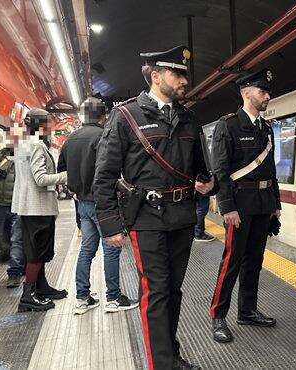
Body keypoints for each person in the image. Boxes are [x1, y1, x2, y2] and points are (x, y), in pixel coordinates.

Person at [93, 45, 216, 370]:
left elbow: (201, 169)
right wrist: (111, 225)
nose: (184, 81)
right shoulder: (127, 116)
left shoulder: (189, 119)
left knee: (173, 290)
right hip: (145, 218)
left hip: (182, 216)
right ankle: (160, 364)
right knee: (157, 291)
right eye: (178, 74)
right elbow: (104, 175)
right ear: (156, 75)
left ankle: (170, 355)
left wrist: (207, 183)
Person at [209, 68, 281, 344]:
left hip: (263, 204)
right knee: (232, 262)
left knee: (255, 261)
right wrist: (227, 207)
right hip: (239, 205)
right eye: (263, 91)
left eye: (267, 92)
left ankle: (247, 310)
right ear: (247, 92)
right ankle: (218, 316)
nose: (267, 96)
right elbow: (221, 170)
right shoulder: (228, 125)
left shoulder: (266, 128)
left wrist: (276, 204)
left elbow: (271, 170)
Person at [58, 97, 138, 315]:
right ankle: (113, 298)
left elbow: (61, 170)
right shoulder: (103, 136)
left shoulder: (70, 139)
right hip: (103, 204)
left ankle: (82, 298)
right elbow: (112, 168)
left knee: (87, 250)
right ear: (103, 116)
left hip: (82, 204)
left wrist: (73, 191)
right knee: (111, 249)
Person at [12, 108, 68, 312]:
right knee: (36, 253)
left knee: (37, 251)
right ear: (41, 124)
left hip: (27, 206)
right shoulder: (36, 146)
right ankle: (28, 295)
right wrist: (65, 176)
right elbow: (40, 179)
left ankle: (41, 288)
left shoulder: (21, 144)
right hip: (38, 207)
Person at [0, 132, 24, 288]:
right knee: (1, 238)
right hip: (1, 205)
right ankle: (18, 263)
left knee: (16, 239)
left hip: (18, 206)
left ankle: (14, 272)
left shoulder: (24, 156)